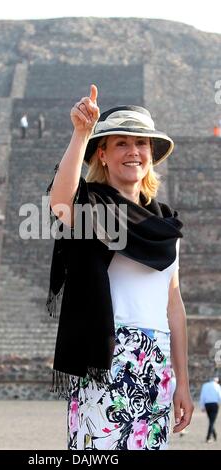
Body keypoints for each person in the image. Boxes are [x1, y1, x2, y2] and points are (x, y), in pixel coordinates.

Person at [45, 84, 194, 450]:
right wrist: (81, 133)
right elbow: (60, 202)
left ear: (151, 155)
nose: (133, 152)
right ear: (103, 154)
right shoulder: (91, 208)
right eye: (121, 143)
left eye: (141, 143)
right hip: (106, 357)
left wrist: (183, 381)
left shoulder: (167, 226)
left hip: (157, 365)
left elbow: (173, 306)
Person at [199, 376, 221, 443]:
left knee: (211, 421)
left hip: (207, 405)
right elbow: (220, 396)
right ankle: (208, 437)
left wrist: (202, 406)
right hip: (214, 405)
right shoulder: (217, 385)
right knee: (212, 421)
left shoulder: (205, 385)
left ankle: (214, 435)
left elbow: (202, 396)